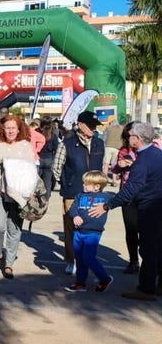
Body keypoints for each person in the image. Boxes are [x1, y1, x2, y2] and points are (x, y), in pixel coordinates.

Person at [90, 122, 162, 302]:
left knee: (148, 249)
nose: (127, 138)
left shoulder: (142, 161)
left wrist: (107, 205)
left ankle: (146, 289)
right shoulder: (157, 154)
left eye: (130, 135)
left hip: (149, 208)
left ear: (137, 139)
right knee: (158, 247)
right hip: (158, 206)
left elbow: (130, 191)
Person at [0, 115, 37, 278]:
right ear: (2, 129)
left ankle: (9, 263)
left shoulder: (25, 146)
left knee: (14, 229)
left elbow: (32, 170)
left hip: (18, 196)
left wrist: (31, 193)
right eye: (7, 127)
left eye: (13, 128)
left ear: (19, 129)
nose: (10, 131)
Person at [53, 112, 105, 275]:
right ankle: (72, 259)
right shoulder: (67, 144)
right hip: (73, 192)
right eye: (90, 125)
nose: (93, 128)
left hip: (95, 194)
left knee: (91, 227)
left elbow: (101, 166)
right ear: (80, 125)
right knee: (72, 228)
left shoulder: (99, 143)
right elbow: (56, 168)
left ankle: (87, 258)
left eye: (95, 125)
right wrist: (67, 182)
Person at [65, 171, 114, 293]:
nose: (83, 186)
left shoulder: (106, 197)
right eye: (84, 183)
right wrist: (75, 216)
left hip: (93, 233)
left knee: (88, 257)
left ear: (97, 186)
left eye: (87, 184)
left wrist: (107, 205)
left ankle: (104, 278)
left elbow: (119, 200)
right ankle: (80, 283)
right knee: (79, 258)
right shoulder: (80, 196)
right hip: (79, 232)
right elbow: (73, 209)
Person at [111, 123, 139, 273]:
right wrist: (119, 165)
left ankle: (150, 262)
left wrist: (134, 164)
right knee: (131, 230)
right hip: (127, 195)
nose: (130, 139)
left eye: (133, 135)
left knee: (147, 230)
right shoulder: (123, 150)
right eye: (128, 135)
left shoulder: (149, 150)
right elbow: (114, 168)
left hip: (145, 195)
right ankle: (133, 261)